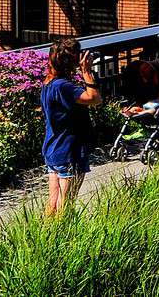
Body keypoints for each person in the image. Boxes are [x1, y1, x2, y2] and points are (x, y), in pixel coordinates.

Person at [41, 39, 101, 216]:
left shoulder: (49, 83)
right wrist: (87, 72)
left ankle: (46, 237)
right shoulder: (64, 86)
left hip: (53, 148)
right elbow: (95, 99)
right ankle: (62, 239)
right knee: (65, 206)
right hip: (69, 150)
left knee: (53, 204)